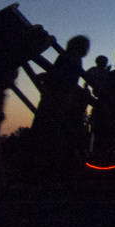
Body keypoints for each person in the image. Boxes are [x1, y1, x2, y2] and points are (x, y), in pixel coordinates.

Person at [31, 34, 92, 182]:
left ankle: (42, 175)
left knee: (44, 135)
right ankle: (51, 175)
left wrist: (47, 77)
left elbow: (61, 77)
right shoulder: (76, 59)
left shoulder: (69, 56)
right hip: (62, 100)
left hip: (54, 100)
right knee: (52, 136)